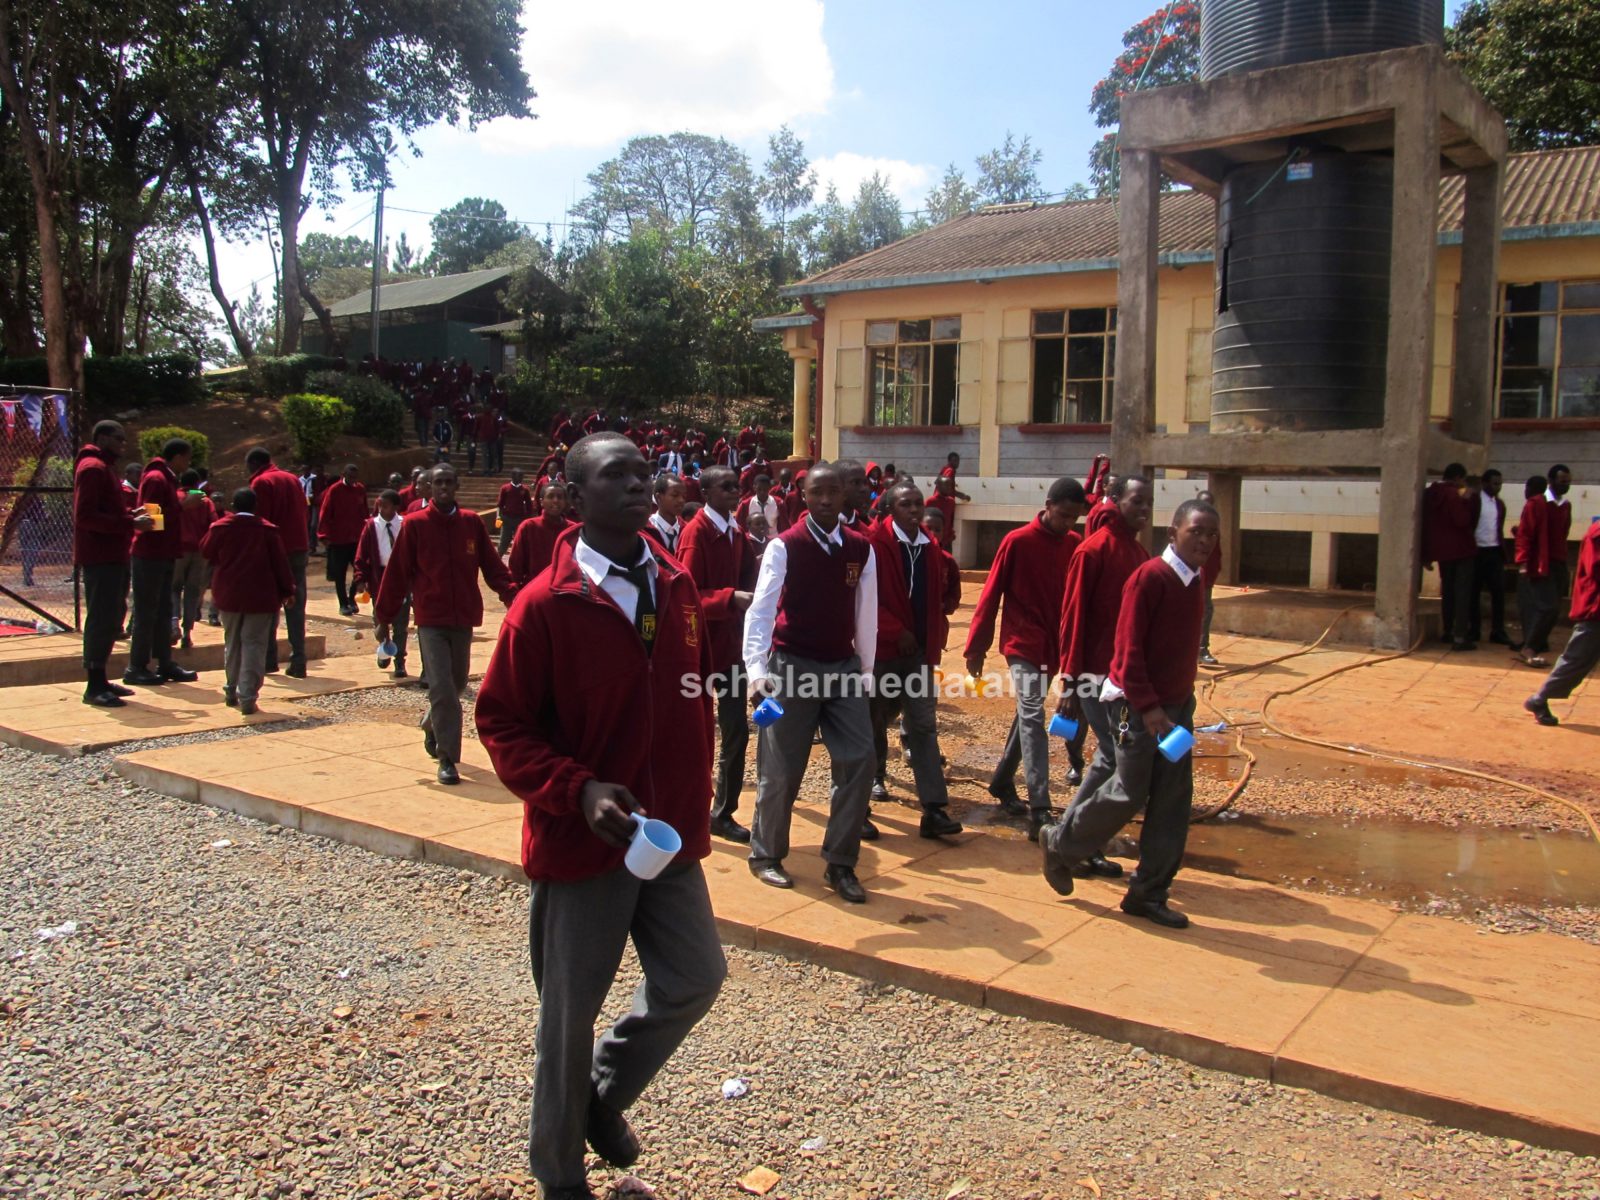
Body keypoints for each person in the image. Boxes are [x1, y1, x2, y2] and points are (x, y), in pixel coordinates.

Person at [476, 431, 724, 1200]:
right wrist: (577, 789)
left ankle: (600, 1098)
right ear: (575, 500)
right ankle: (559, 1178)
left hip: (667, 832)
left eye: (644, 472)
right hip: (585, 841)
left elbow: (688, 690)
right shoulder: (545, 604)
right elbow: (502, 723)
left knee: (694, 978)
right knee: (568, 1018)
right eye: (616, 474)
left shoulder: (675, 582)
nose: (638, 484)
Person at [1040, 499, 1221, 930]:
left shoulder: (1194, 578)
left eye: (1212, 534)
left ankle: (1148, 893)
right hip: (1136, 708)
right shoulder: (1150, 578)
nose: (1205, 541)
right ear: (1174, 530)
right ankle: (1061, 844)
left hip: (1176, 707)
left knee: (1173, 801)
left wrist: (1175, 707)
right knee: (1129, 790)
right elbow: (1127, 652)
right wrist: (1149, 708)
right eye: (1196, 531)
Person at [743, 462, 878, 902]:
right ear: (803, 495)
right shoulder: (785, 546)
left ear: (844, 496)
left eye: (833, 492)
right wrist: (757, 672)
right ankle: (766, 854)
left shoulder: (860, 548)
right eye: (817, 493)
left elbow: (866, 614)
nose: (825, 500)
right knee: (781, 767)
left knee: (860, 759)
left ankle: (840, 863)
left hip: (842, 668)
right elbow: (760, 611)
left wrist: (866, 673)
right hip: (790, 669)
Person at [374, 464, 516, 786]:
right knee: (440, 687)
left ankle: (431, 723)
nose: (443, 488)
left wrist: (512, 595)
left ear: (457, 486)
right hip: (430, 619)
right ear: (428, 488)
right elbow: (397, 573)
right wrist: (383, 617)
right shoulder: (415, 525)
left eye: (449, 483)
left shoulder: (470, 524)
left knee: (456, 685)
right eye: (438, 483)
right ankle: (448, 758)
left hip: (463, 618)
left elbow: (493, 567)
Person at [964, 477, 1088, 840]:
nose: (1067, 523)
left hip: (1054, 644)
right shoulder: (1017, 542)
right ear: (1047, 505)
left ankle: (1002, 781)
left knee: (1026, 716)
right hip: (1021, 642)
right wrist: (976, 646)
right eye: (1063, 515)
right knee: (1033, 713)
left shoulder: (1075, 546)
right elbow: (991, 595)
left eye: (1074, 518)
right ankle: (1040, 806)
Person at [1054, 474, 1154, 873]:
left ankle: (1075, 839)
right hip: (1095, 675)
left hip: (1124, 676)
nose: (1144, 511)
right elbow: (1073, 617)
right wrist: (1071, 679)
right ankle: (1070, 840)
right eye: (1136, 502)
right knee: (1112, 757)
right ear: (1115, 501)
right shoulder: (1093, 551)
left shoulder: (1140, 553)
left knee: (1110, 758)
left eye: (1149, 503)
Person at [868, 481, 963, 839]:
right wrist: (896, 631)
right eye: (905, 504)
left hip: (919, 657)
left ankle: (934, 810)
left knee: (923, 726)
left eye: (917, 504)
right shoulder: (875, 545)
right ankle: (863, 797)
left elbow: (941, 595)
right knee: (872, 723)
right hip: (882, 653)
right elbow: (867, 600)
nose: (913, 510)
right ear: (891, 509)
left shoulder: (931, 546)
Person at [678, 466, 755, 843]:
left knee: (736, 731)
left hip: (732, 649)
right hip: (701, 649)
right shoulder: (698, 533)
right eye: (725, 487)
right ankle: (689, 806)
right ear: (706, 491)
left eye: (736, 487)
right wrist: (729, 599)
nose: (734, 492)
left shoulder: (735, 531)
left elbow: (746, 578)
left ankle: (723, 811)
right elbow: (686, 594)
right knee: (697, 733)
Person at [72, 421, 154, 707]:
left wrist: (130, 514)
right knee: (101, 617)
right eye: (118, 439)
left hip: (113, 554)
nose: (123, 443)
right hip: (100, 555)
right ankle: (93, 685)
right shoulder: (93, 468)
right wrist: (129, 522)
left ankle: (101, 678)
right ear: (103, 438)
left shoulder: (104, 467)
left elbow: (106, 510)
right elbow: (85, 516)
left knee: (112, 617)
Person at [201, 488, 295, 716]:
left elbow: (205, 551)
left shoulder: (221, 528)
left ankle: (230, 688)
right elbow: (280, 564)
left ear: (233, 505)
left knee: (232, 642)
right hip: (260, 597)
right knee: (254, 644)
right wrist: (287, 591)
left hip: (228, 595)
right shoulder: (267, 531)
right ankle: (248, 695)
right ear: (256, 506)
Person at [125, 439, 199, 687]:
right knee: (146, 611)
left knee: (163, 610)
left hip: (164, 552)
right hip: (150, 553)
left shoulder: (165, 478)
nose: (187, 464)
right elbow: (152, 519)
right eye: (186, 459)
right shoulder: (156, 478)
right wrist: (182, 506)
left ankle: (164, 662)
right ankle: (136, 666)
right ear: (176, 457)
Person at [1525, 514, 1600, 726]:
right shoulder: (1598, 533)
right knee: (1577, 658)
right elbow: (1596, 567)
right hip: (1595, 610)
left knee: (1578, 658)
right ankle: (1539, 699)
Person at [246, 447, 312, 677]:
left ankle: (269, 659)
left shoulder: (261, 483)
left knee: (269, 605)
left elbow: (261, 521)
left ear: (254, 464)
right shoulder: (292, 479)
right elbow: (304, 508)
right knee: (296, 604)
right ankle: (299, 659)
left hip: (275, 549)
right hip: (299, 546)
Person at [353, 490, 410, 678]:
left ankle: (400, 660)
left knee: (401, 623)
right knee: (380, 620)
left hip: (400, 579)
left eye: (385, 505)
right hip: (379, 579)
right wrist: (360, 578)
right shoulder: (371, 526)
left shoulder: (405, 525)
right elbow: (362, 555)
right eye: (379, 505)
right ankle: (385, 649)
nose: (381, 509)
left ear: (395, 507)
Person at [1423, 463, 1477, 650]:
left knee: (1448, 592)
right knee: (1462, 594)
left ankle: (1447, 631)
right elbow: (1462, 520)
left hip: (1442, 551)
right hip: (1461, 550)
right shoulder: (1454, 495)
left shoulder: (1431, 493)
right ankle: (1460, 636)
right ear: (1457, 478)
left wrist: (1427, 554)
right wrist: (1467, 500)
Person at [1469, 469, 1515, 648]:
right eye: (1495, 483)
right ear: (1485, 483)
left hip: (1494, 552)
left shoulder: (1500, 504)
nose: (1498, 487)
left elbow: (1499, 528)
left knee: (1498, 593)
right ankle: (1474, 629)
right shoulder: (1475, 501)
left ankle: (1497, 631)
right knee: (1474, 593)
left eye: (1500, 484)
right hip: (1477, 552)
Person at [1515, 474, 1558, 666]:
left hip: (1539, 564)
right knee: (1543, 605)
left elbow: (1526, 534)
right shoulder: (1543, 504)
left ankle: (1531, 645)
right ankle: (1531, 646)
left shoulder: (1537, 504)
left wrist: (1523, 562)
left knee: (1541, 605)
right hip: (1541, 563)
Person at [317, 464, 369, 615]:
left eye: (355, 477)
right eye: (350, 477)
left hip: (356, 538)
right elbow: (325, 513)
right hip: (338, 539)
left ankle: (351, 598)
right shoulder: (334, 490)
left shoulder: (360, 489)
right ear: (343, 474)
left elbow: (364, 512)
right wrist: (323, 535)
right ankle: (343, 603)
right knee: (339, 574)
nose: (353, 480)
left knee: (359, 570)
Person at [172, 470, 215, 651]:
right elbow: (213, 525)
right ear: (198, 483)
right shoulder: (205, 500)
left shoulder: (175, 497)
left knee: (173, 589)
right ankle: (187, 633)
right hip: (199, 551)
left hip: (177, 550)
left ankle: (173, 622)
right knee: (193, 592)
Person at [509, 481, 576, 589]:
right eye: (550, 496)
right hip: (533, 590)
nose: (555, 500)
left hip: (565, 592)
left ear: (565, 502)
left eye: (560, 497)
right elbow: (515, 565)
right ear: (541, 502)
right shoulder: (528, 527)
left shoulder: (573, 530)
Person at [1195, 488, 1223, 666]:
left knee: (1206, 611)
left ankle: (1202, 649)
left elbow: (1216, 554)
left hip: (1205, 578)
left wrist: (1213, 574)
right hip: (1188, 574)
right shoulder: (1188, 525)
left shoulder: (1214, 529)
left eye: (1209, 505)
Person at [497, 466, 536, 556]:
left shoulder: (525, 489)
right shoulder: (505, 488)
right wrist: (499, 517)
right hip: (507, 519)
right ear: (513, 476)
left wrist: (528, 518)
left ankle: (517, 561)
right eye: (519, 476)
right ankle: (498, 559)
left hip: (519, 519)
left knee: (519, 541)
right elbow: (500, 504)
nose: (521, 478)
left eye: (522, 476)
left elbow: (529, 505)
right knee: (504, 541)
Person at [646, 473, 686, 556]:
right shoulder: (646, 530)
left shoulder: (686, 529)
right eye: (675, 495)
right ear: (659, 498)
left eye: (683, 496)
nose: (681, 500)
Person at [926, 474, 958, 550]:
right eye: (946, 485)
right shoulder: (930, 502)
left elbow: (951, 520)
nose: (949, 488)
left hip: (947, 540)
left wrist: (951, 533)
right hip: (933, 540)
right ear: (938, 486)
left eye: (950, 486)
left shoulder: (951, 502)